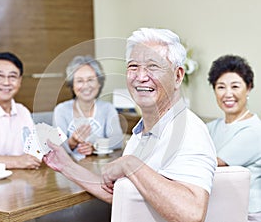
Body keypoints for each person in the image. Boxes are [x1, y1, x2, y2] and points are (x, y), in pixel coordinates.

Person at [44, 28, 217, 222]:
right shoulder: (141, 133)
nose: (141, 76)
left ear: (177, 76)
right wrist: (65, 165)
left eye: (153, 66)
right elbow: (124, 194)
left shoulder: (187, 130)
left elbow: (191, 213)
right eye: (133, 66)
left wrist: (130, 164)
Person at [207, 55, 261, 222]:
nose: (228, 94)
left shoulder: (255, 131)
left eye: (235, 86)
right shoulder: (211, 127)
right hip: (216, 207)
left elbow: (211, 163)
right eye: (221, 87)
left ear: (249, 87)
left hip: (246, 213)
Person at [53, 55, 123, 159]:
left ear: (99, 83)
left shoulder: (108, 109)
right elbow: (56, 147)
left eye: (91, 80)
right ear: (72, 85)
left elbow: (117, 140)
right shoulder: (61, 110)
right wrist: (72, 142)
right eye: (80, 81)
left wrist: (95, 146)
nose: (86, 86)